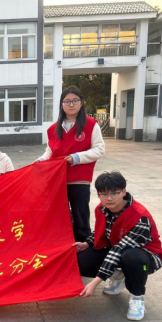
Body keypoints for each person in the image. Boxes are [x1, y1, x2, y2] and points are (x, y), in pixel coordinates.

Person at [74, 172, 162, 321]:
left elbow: (119, 249)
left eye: (114, 193)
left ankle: (137, 297)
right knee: (80, 260)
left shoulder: (140, 216)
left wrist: (96, 282)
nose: (109, 198)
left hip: (145, 256)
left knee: (132, 258)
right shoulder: (101, 209)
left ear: (123, 191)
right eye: (104, 194)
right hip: (116, 249)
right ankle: (119, 276)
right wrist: (87, 243)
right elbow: (100, 231)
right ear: (98, 194)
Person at [38, 86, 105, 242]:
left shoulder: (90, 125)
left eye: (75, 100)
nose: (71, 104)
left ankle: (83, 246)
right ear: (62, 104)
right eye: (67, 101)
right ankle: (61, 245)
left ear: (81, 103)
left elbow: (99, 149)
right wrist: (40, 161)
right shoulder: (53, 129)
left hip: (79, 180)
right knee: (58, 216)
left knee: (80, 216)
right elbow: (50, 151)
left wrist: (76, 158)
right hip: (57, 180)